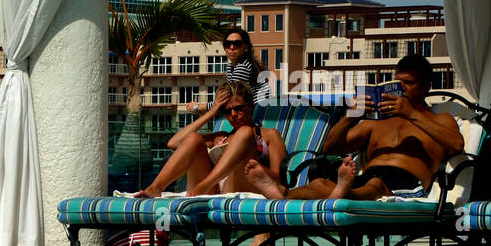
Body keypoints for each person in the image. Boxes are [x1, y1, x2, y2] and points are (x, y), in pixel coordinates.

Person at [245, 54, 462, 201]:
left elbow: (456, 144)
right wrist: (351, 116)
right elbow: (330, 148)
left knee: (375, 185)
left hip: (406, 183)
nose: (402, 88)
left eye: (409, 83)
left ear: (426, 86)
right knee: (321, 182)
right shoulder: (377, 122)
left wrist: (411, 113)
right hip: (364, 179)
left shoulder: (439, 119)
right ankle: (282, 194)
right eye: (399, 82)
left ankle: (344, 193)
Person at [134, 81, 286, 198]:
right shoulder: (220, 137)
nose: (233, 114)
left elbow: (279, 179)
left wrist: (258, 169)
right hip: (210, 191)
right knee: (194, 138)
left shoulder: (270, 135)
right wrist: (211, 112)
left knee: (245, 132)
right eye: (226, 111)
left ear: (251, 106)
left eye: (239, 108)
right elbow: (174, 143)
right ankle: (156, 188)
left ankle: (204, 186)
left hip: (242, 187)